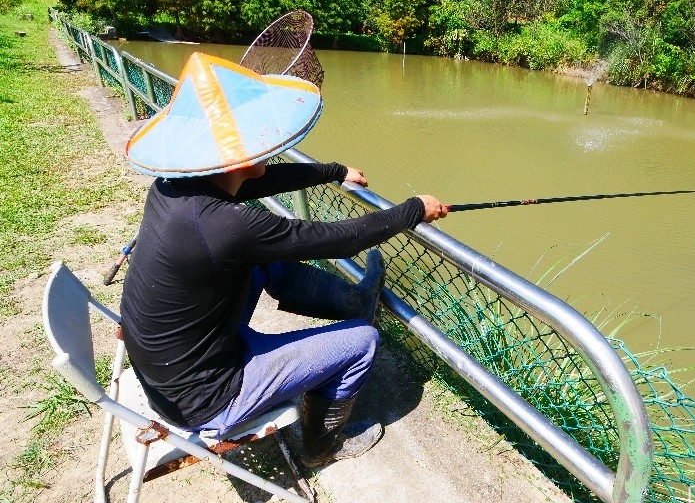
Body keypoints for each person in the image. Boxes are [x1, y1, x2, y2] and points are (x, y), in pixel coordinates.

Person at [119, 52, 448, 466]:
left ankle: (352, 302)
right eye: (256, 139)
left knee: (259, 263)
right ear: (235, 155)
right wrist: (414, 208)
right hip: (207, 398)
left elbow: (261, 178)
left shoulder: (173, 190)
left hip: (170, 371)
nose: (266, 143)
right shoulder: (226, 226)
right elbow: (339, 240)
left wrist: (332, 171)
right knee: (363, 342)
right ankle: (321, 447)